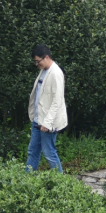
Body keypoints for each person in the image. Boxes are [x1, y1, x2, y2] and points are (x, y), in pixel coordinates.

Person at [26, 43, 66, 173]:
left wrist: (47, 123)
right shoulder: (43, 72)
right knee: (33, 151)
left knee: (49, 153)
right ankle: (27, 181)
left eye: (38, 61)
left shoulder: (55, 73)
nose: (37, 65)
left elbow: (57, 100)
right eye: (36, 62)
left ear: (46, 57)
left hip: (48, 123)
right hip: (38, 120)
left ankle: (61, 183)